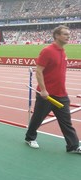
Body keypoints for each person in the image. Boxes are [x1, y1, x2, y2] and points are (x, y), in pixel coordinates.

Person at [25, 25, 81, 153]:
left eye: (68, 34)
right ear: (56, 36)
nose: (68, 36)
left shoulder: (63, 51)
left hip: (62, 94)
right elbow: (39, 71)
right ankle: (30, 137)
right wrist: (43, 90)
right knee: (38, 118)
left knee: (66, 122)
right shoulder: (48, 51)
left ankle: (73, 146)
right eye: (65, 34)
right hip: (47, 95)